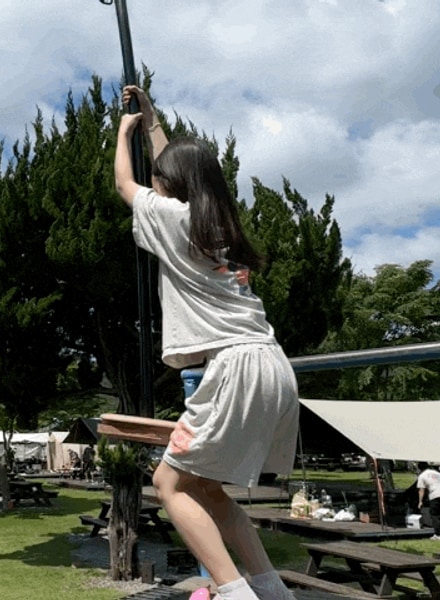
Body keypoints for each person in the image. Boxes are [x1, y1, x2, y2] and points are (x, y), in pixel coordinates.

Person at [114, 85, 300, 600]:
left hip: (233, 367)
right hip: (271, 363)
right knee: (210, 490)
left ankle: (234, 592)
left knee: (169, 485)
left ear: (170, 185)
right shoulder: (218, 226)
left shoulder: (174, 219)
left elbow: (127, 185)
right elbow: (172, 172)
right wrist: (152, 121)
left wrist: (125, 130)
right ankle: (269, 587)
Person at [416, 462, 440, 540]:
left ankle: (438, 534)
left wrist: (420, 501)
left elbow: (421, 490)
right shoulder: (436, 473)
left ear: (419, 468)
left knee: (435, 515)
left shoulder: (422, 476)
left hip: (435, 495)